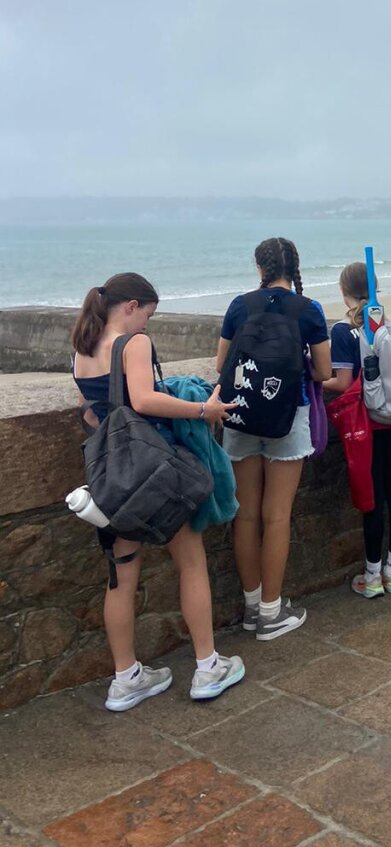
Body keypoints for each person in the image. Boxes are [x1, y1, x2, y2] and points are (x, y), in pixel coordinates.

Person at [72, 274, 245, 711]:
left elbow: (92, 415)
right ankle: (208, 667)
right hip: (153, 478)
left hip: (113, 482)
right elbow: (144, 400)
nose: (147, 324)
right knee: (191, 563)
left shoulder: (83, 349)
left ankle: (126, 678)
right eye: (148, 315)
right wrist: (204, 408)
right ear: (131, 306)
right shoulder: (133, 344)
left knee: (121, 577)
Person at [216, 238, 332, 641]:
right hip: (287, 416)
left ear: (259, 267)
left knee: (245, 515)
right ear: (294, 267)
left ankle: (251, 608)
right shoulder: (309, 309)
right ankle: (271, 611)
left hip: (240, 415)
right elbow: (323, 371)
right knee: (277, 515)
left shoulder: (239, 306)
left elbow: (221, 364)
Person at [324, 263, 391, 598]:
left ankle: (372, 576)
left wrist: (314, 378)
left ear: (343, 290)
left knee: (372, 497)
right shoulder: (384, 323)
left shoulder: (342, 331)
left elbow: (342, 382)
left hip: (366, 423)